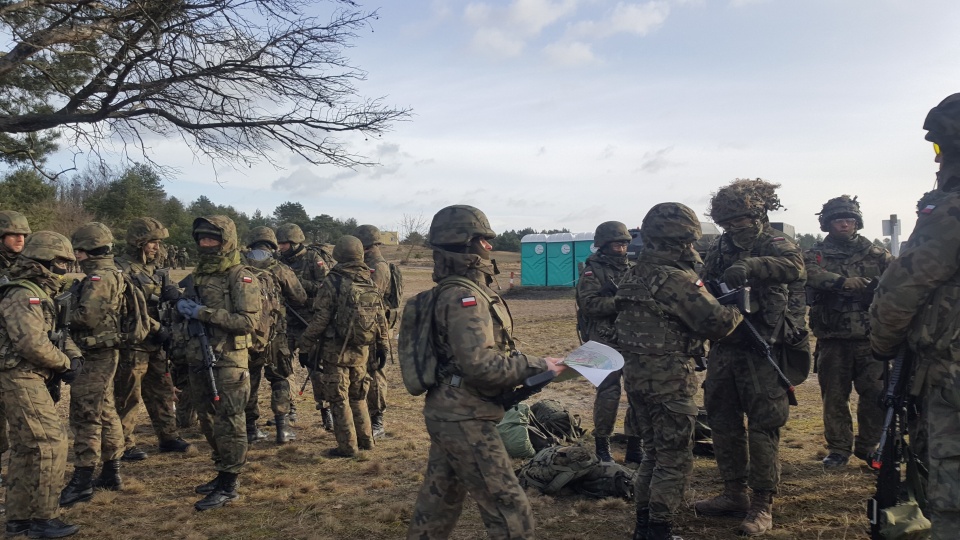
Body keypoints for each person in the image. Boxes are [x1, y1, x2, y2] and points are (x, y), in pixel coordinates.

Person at [406, 205, 567, 540]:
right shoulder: (464, 295)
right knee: (510, 508)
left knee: (439, 502)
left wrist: (536, 363)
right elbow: (481, 367)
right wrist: (537, 365)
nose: (490, 248)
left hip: (451, 411)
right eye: (484, 240)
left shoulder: (461, 290)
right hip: (465, 416)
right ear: (468, 243)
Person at [617, 203, 743, 540]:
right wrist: (738, 305)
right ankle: (660, 530)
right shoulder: (676, 279)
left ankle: (643, 527)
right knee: (673, 460)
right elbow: (716, 324)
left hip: (638, 379)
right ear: (683, 240)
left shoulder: (631, 274)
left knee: (652, 455)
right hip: (671, 381)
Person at [870, 93, 960, 539]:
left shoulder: (950, 210)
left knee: (951, 495)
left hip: (950, 373)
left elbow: (900, 291)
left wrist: (883, 344)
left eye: (938, 151)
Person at [694, 179, 807, 536]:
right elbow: (705, 281)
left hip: (764, 346)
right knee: (723, 420)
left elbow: (796, 268)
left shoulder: (774, 242)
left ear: (757, 214)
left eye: (739, 220)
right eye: (726, 222)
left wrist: (754, 265)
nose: (732, 228)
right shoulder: (719, 245)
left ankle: (762, 503)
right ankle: (733, 493)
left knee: (763, 426)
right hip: (726, 345)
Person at [0, 231, 81, 538]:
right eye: (60, 261)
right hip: (20, 376)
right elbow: (31, 344)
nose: (64, 267)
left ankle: (19, 518)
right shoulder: (24, 294)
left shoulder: (39, 292)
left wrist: (74, 357)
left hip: (26, 375)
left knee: (25, 449)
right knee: (51, 444)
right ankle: (43, 519)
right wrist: (63, 363)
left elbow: (58, 331)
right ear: (44, 260)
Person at [177, 216, 260, 511]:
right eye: (201, 238)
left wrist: (203, 313)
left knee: (231, 422)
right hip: (199, 357)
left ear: (226, 241)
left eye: (212, 239)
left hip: (227, 361)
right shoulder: (199, 274)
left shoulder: (240, 275)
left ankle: (230, 483)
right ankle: (221, 470)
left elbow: (248, 321)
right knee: (208, 420)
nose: (205, 244)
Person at [804, 196, 891, 469]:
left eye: (849, 219)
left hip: (871, 338)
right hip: (833, 338)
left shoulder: (876, 254)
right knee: (834, 397)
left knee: (875, 395)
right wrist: (842, 282)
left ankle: (869, 446)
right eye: (839, 219)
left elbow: (899, 280)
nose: (844, 224)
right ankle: (839, 448)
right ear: (828, 223)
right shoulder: (816, 254)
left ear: (857, 223)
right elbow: (808, 273)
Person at [58, 223, 127, 507]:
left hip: (95, 353)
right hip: (103, 353)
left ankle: (83, 479)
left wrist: (60, 310)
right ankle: (112, 471)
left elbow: (85, 317)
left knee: (85, 414)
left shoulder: (99, 278)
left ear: (85, 250)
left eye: (79, 251)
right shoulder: (112, 273)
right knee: (106, 411)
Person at [300, 235, 386, 457]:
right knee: (358, 397)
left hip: (335, 352)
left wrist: (305, 345)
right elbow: (380, 318)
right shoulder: (368, 280)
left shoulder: (333, 281)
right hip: (362, 351)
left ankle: (347, 447)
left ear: (338, 254)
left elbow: (320, 319)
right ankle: (367, 442)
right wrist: (383, 345)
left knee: (339, 399)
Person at [113, 217, 190, 462]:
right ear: (138, 243)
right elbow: (127, 308)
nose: (157, 247)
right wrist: (157, 327)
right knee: (128, 394)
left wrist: (174, 295)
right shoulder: (121, 270)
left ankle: (168, 436)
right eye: (152, 242)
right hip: (133, 342)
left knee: (162, 390)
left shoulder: (153, 270)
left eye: (158, 242)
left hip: (156, 342)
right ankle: (123, 443)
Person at [576, 220, 640, 464]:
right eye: (616, 243)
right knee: (608, 394)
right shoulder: (592, 271)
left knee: (637, 394)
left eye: (624, 243)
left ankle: (636, 446)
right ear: (603, 244)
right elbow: (589, 305)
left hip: (633, 339)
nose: (621, 247)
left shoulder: (633, 269)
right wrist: (620, 302)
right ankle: (602, 445)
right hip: (601, 340)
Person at [243, 226, 307, 444]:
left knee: (249, 380)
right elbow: (300, 297)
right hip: (276, 335)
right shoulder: (279, 268)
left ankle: (250, 428)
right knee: (279, 378)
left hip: (247, 335)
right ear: (272, 246)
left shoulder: (238, 268)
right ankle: (282, 428)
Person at [276, 222, 334, 429]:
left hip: (309, 322)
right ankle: (287, 411)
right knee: (282, 367)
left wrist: (298, 285)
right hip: (285, 322)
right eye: (279, 243)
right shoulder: (279, 261)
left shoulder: (313, 259)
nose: (280, 247)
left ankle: (326, 411)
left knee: (316, 369)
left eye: (284, 243)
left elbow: (326, 287)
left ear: (294, 242)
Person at [0, 209, 31, 490]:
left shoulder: (24, 266)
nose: (19, 238)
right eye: (13, 234)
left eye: (23, 234)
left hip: (15, 355)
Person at [355, 224, 393, 439]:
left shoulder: (377, 266)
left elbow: (371, 297)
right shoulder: (365, 263)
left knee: (375, 371)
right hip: (363, 325)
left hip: (375, 327)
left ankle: (377, 419)